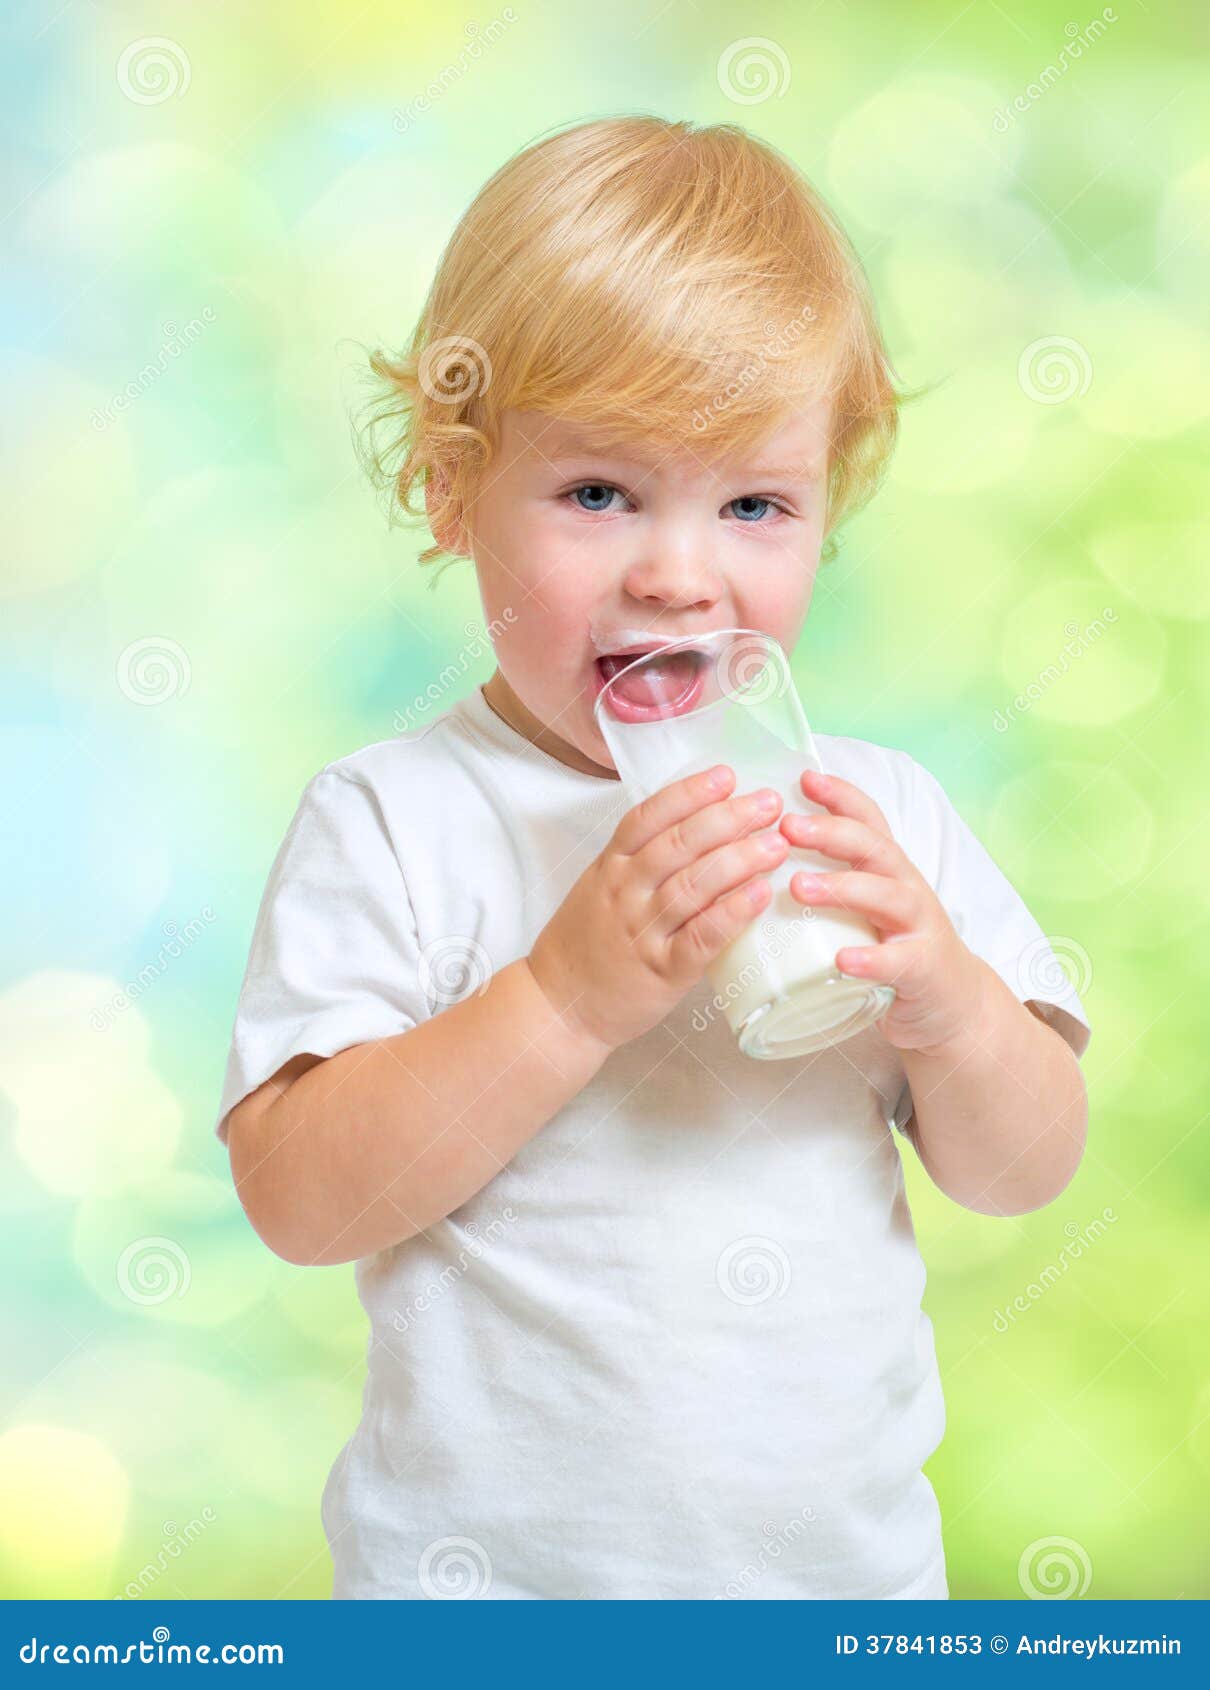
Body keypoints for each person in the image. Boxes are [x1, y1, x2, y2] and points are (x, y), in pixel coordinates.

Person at [215, 115, 1091, 1600]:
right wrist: (562, 997)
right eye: (599, 493)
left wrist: (946, 998)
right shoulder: (396, 820)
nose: (679, 573)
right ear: (450, 490)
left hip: (842, 1603)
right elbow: (302, 1199)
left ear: (828, 503)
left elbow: (1025, 1167)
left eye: (753, 504)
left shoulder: (871, 815)